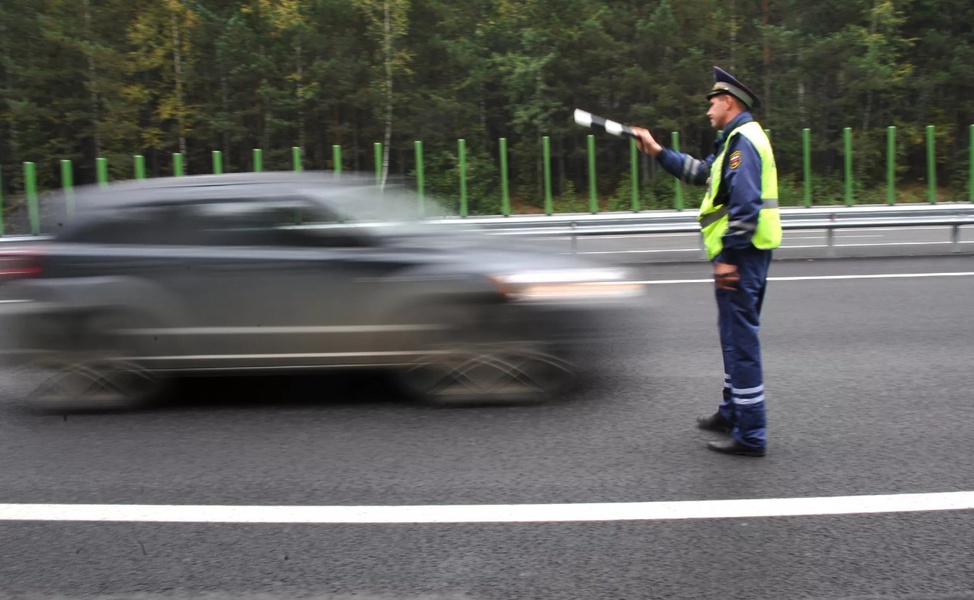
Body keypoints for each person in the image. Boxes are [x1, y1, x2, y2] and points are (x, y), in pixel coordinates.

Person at [631, 66, 781, 457]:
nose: (707, 108)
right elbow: (700, 173)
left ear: (728, 101)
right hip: (744, 255)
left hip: (741, 256)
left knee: (741, 342)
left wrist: (729, 257)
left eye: (712, 101)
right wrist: (657, 151)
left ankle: (750, 435)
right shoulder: (733, 140)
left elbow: (746, 205)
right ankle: (733, 412)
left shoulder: (743, 141)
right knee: (733, 339)